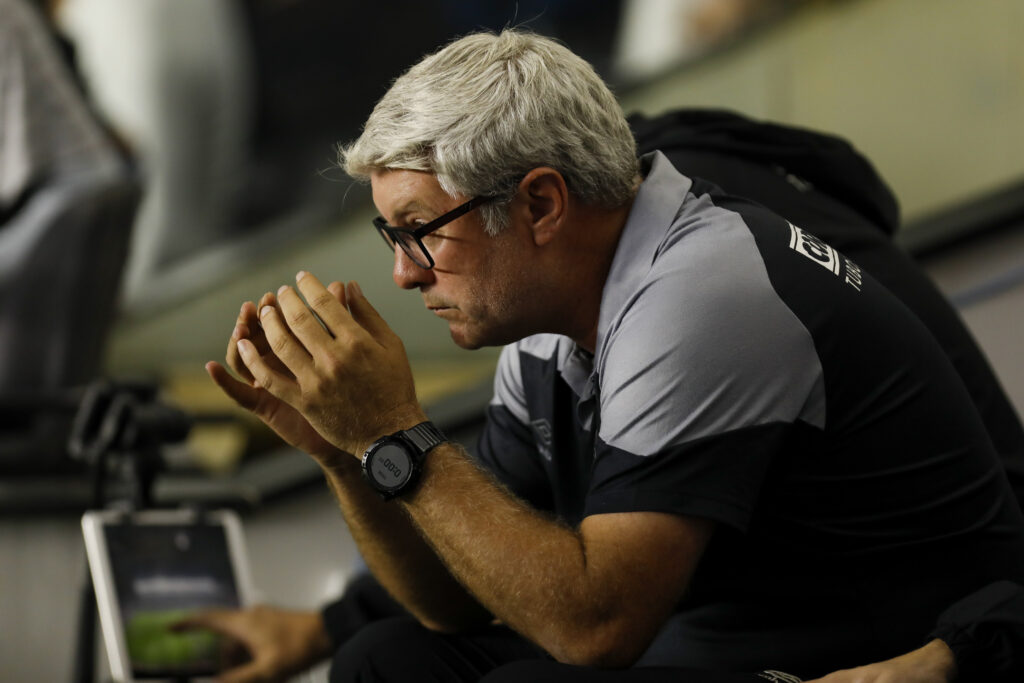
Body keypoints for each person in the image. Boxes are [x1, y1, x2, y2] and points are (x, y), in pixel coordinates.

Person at [204, 30, 1024, 682]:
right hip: (735, 644)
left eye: (421, 229)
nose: (404, 272)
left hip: (909, 658)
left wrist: (396, 431)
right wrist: (351, 453)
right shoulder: (553, 318)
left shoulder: (705, 289)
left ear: (540, 203)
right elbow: (452, 607)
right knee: (388, 660)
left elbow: (595, 628)